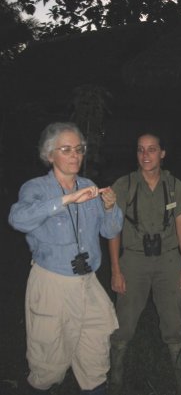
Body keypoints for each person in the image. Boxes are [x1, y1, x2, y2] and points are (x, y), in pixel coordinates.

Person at [8, 122, 123, 395]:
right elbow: (18, 219)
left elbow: (110, 230)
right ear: (50, 155)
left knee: (96, 359)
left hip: (88, 283)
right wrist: (67, 199)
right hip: (52, 284)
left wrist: (109, 207)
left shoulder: (90, 186)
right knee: (47, 364)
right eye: (66, 149)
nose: (75, 155)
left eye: (79, 149)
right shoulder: (36, 188)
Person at [108, 131, 181, 395]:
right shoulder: (124, 185)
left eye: (152, 149)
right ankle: (115, 379)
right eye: (141, 150)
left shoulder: (173, 185)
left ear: (163, 153)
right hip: (133, 259)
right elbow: (113, 229)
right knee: (123, 324)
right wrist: (116, 270)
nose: (145, 155)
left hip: (169, 259)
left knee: (175, 325)